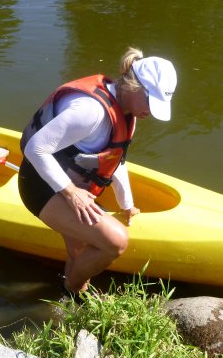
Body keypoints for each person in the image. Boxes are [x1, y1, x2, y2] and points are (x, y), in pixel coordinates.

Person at [19, 47, 177, 296]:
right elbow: (35, 148)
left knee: (82, 252)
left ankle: (72, 293)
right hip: (41, 184)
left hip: (68, 183)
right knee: (115, 242)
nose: (151, 112)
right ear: (135, 87)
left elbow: (115, 160)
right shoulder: (90, 112)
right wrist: (72, 194)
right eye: (150, 101)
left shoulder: (127, 112)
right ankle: (71, 289)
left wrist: (126, 203)